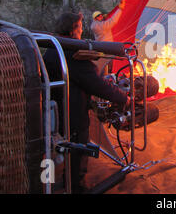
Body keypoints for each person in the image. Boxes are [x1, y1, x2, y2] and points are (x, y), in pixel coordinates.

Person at [43, 12, 159, 193]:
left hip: (55, 107)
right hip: (71, 111)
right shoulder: (72, 54)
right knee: (78, 147)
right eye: (80, 26)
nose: (82, 29)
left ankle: (67, 181)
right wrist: (123, 98)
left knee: (67, 145)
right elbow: (96, 84)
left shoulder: (53, 47)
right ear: (73, 29)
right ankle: (75, 186)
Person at [90, 0, 126, 74]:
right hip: (107, 49)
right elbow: (112, 21)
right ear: (96, 18)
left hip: (101, 47)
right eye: (99, 16)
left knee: (105, 65)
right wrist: (120, 9)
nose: (101, 17)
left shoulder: (94, 25)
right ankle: (107, 78)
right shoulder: (101, 26)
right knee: (107, 66)